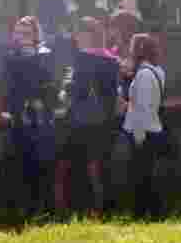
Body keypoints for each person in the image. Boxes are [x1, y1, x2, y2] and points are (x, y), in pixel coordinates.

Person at [54, 17, 120, 215]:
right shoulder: (110, 59)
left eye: (78, 33)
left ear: (87, 35)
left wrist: (65, 91)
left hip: (79, 120)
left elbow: (75, 92)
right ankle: (99, 208)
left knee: (65, 164)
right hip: (102, 120)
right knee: (95, 166)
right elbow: (111, 94)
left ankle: (63, 208)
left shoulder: (81, 59)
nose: (75, 37)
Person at [2, 16, 58, 215]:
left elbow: (52, 85)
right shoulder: (10, 56)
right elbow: (8, 86)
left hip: (42, 117)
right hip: (20, 116)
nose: (22, 36)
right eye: (19, 32)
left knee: (43, 162)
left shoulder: (46, 55)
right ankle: (25, 209)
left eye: (26, 33)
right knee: (22, 162)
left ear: (35, 34)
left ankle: (46, 208)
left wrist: (42, 99)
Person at [122, 33, 167, 219]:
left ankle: (142, 214)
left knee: (141, 177)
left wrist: (138, 136)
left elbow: (143, 109)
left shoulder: (143, 75)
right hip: (153, 129)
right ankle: (151, 213)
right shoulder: (158, 71)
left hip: (143, 132)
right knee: (147, 175)